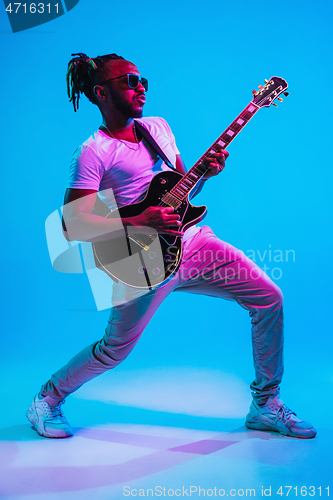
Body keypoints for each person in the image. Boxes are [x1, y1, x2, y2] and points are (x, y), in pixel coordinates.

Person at [26, 52, 316, 440]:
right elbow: (71, 224)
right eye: (128, 81)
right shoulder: (93, 152)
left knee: (269, 297)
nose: (140, 87)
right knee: (115, 350)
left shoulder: (157, 128)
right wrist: (139, 221)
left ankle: (265, 404)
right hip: (138, 260)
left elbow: (179, 188)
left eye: (142, 79)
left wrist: (206, 174)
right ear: (100, 93)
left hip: (192, 242)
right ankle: (46, 400)